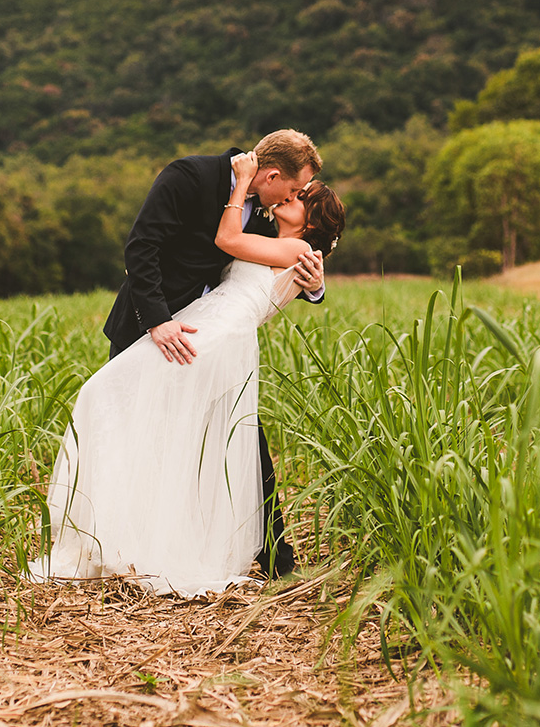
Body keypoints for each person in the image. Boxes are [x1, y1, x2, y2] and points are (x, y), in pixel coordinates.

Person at [30, 137, 345, 595]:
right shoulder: (191, 177)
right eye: (294, 191)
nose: (289, 199)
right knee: (131, 421)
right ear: (274, 178)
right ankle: (118, 539)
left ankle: (268, 558)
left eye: (300, 198)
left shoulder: (267, 217)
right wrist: (157, 321)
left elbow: (265, 259)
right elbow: (141, 249)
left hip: (211, 340)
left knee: (236, 444)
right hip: (154, 323)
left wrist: (315, 284)